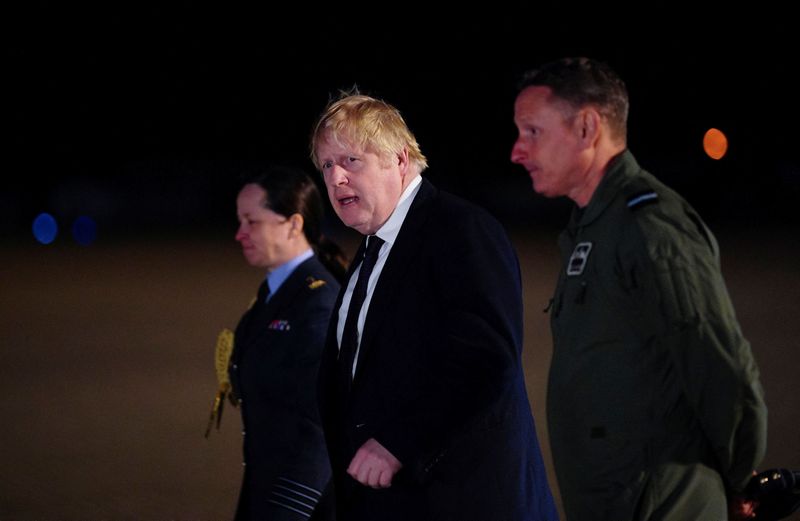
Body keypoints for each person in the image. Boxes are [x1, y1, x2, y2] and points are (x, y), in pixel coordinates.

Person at [510, 57, 768, 521]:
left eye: (532, 132)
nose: (517, 151)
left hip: (663, 506)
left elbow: (721, 369)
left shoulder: (649, 228)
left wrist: (738, 480)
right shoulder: (590, 228)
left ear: (587, 127)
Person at [310, 91, 559, 521]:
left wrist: (397, 443)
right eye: (327, 166)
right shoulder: (373, 249)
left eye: (351, 161)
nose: (335, 180)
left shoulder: (461, 231)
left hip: (462, 502)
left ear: (400, 160)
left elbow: (486, 361)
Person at [229, 165, 346, 520]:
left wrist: (290, 506)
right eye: (239, 221)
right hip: (266, 487)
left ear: (294, 224)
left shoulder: (318, 303)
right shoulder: (273, 292)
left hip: (300, 499)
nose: (239, 234)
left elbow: (320, 424)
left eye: (252, 222)